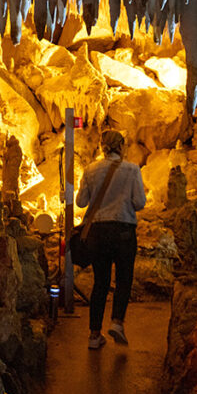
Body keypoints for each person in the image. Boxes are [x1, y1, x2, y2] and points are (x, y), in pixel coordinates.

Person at [76, 129, 146, 349]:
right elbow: (140, 203)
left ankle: (94, 335)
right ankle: (117, 322)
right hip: (123, 231)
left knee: (100, 282)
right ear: (121, 146)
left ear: (102, 147)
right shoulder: (132, 170)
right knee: (124, 278)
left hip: (98, 232)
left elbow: (81, 202)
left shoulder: (90, 170)